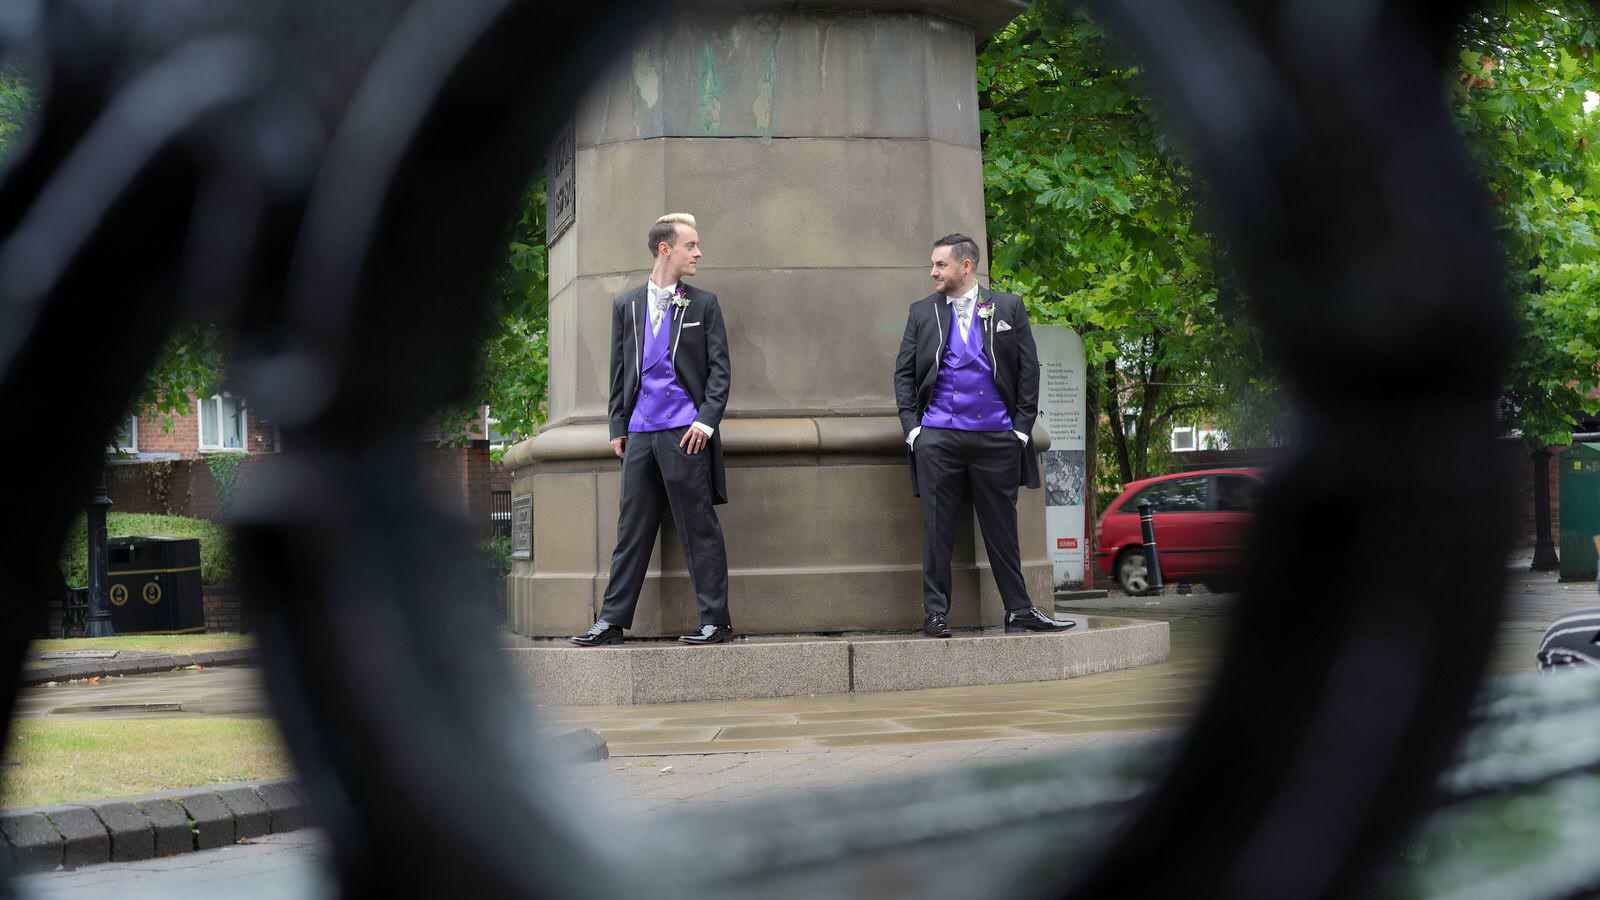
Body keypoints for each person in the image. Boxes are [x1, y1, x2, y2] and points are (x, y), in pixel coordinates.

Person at [893, 234, 1075, 638]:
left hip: (997, 438)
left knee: (1002, 529)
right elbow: (904, 374)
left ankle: (1019, 609)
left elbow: (1029, 370)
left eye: (940, 265)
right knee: (938, 529)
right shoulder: (922, 312)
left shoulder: (1007, 307)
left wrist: (1022, 431)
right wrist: (914, 431)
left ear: (966, 266)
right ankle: (936, 614)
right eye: (932, 265)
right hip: (938, 437)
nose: (933, 272)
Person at [570, 213, 734, 646]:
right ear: (666, 249)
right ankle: (611, 621)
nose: (698, 253)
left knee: (697, 525)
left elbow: (720, 372)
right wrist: (617, 426)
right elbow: (619, 369)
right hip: (640, 433)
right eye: (691, 245)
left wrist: (705, 420)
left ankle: (716, 621)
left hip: (686, 431)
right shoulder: (627, 305)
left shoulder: (703, 304)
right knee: (631, 528)